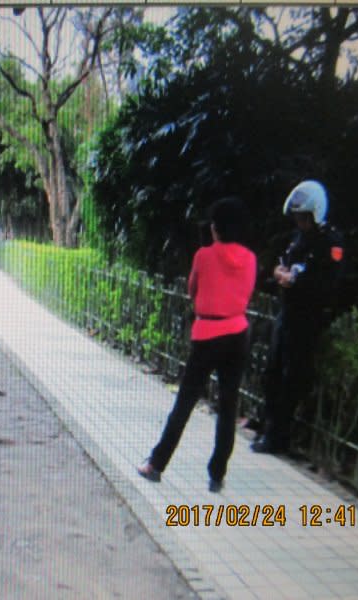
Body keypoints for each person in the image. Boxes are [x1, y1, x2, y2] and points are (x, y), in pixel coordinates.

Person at [138, 198, 257, 493]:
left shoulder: (204, 256)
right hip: (237, 334)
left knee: (185, 403)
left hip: (207, 335)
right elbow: (248, 291)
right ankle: (217, 476)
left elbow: (193, 288)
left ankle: (156, 465)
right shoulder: (251, 259)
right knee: (228, 408)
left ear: (215, 228)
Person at [252, 180, 344, 454]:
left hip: (307, 319)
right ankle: (268, 428)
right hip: (287, 314)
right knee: (273, 372)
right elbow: (279, 269)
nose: (299, 222)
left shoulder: (330, 241)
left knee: (291, 378)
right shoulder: (297, 239)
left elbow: (327, 281)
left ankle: (280, 436)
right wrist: (280, 275)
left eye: (303, 217)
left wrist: (297, 281)